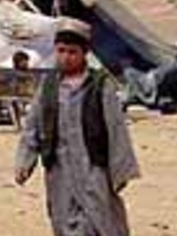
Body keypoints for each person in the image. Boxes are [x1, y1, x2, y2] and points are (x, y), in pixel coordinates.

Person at [15, 18, 140, 236]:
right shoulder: (48, 86)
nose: (65, 57)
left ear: (84, 54)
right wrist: (25, 161)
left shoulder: (100, 86)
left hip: (93, 169)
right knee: (64, 222)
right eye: (61, 51)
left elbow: (116, 130)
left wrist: (120, 172)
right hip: (59, 171)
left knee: (99, 220)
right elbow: (33, 126)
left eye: (72, 52)